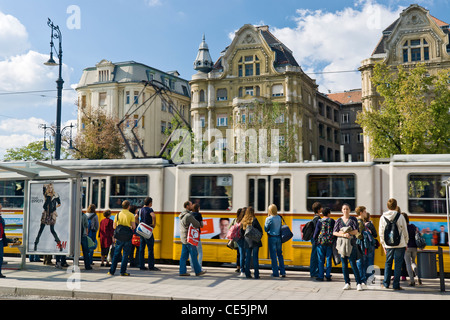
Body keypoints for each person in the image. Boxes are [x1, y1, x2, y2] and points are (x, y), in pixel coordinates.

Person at [379, 198, 408, 290]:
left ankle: (386, 284)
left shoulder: (382, 217)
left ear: (387, 207)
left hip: (388, 245)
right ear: (396, 206)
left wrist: (383, 245)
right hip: (400, 244)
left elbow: (381, 233)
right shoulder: (400, 216)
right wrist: (406, 242)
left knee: (388, 263)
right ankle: (396, 285)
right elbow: (405, 231)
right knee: (398, 264)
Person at [333, 203, 363, 291]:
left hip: (351, 244)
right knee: (344, 265)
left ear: (350, 210)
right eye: (344, 209)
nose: (345, 210)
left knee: (353, 264)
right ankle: (347, 283)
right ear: (342, 210)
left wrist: (349, 233)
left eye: (347, 209)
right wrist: (342, 234)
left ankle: (358, 283)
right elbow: (334, 232)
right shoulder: (338, 220)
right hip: (342, 245)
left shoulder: (353, 220)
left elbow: (356, 231)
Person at [108, 200, 136, 276]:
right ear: (128, 206)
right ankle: (122, 272)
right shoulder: (131, 215)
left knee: (116, 254)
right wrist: (129, 226)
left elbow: (114, 226)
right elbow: (133, 227)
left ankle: (111, 271)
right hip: (127, 237)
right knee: (125, 255)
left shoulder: (117, 215)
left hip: (119, 237)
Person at [178, 201, 205, 276]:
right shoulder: (188, 216)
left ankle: (182, 271)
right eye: (190, 205)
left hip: (183, 237)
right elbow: (197, 224)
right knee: (194, 254)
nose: (192, 206)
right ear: (187, 206)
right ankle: (198, 271)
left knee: (183, 256)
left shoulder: (181, 214)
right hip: (189, 238)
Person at [34, 184, 62, 252]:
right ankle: (36, 244)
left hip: (52, 214)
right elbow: (43, 188)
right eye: (49, 188)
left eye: (51, 188)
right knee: (41, 229)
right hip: (46, 213)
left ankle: (59, 245)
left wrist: (55, 207)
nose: (50, 189)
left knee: (52, 230)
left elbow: (59, 203)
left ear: (53, 188)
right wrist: (45, 185)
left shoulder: (56, 195)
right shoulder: (46, 194)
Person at [355, 206, 377, 285]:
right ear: (361, 213)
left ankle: (363, 278)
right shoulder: (360, 222)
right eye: (364, 211)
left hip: (362, 245)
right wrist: (367, 233)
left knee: (362, 262)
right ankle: (365, 279)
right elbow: (359, 235)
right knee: (366, 261)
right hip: (363, 245)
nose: (366, 213)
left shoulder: (357, 221)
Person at [137, 197, 160, 271]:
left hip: (141, 231)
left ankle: (141, 265)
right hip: (147, 231)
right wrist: (154, 224)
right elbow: (153, 216)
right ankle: (151, 266)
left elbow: (135, 217)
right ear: (150, 203)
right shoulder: (150, 209)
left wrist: (139, 224)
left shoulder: (140, 210)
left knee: (141, 249)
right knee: (150, 249)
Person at [313, 207, 335, 281]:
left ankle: (321, 276)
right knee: (329, 259)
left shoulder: (319, 221)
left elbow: (316, 233)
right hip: (329, 242)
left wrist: (316, 240)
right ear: (328, 213)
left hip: (321, 243)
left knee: (321, 260)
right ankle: (328, 275)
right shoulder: (332, 221)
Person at [264, 204, 286, 278]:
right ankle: (283, 272)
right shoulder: (279, 217)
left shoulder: (269, 219)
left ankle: (275, 273)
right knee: (280, 255)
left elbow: (265, 229)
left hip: (272, 238)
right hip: (279, 238)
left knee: (273, 256)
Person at [241, 207, 262, 279]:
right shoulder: (255, 220)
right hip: (255, 241)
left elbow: (241, 232)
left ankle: (247, 274)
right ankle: (256, 274)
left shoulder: (243, 221)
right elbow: (260, 230)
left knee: (248, 258)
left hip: (247, 241)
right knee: (255, 257)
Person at [402, 212, 420, 286]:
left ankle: (412, 281)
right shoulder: (413, 226)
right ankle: (419, 277)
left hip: (407, 247)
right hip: (414, 247)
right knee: (413, 262)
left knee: (408, 264)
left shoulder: (403, 228)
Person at [0, 203, 14, 278]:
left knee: (0, 257)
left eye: (1, 208)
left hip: (0, 240)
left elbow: (2, 232)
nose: (1, 210)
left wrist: (10, 240)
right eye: (0, 208)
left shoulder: (2, 219)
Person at [309, 202, 322, 278]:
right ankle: (314, 272)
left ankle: (313, 271)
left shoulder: (314, 218)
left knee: (314, 255)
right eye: (321, 208)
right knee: (315, 256)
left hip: (313, 238)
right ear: (318, 209)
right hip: (316, 239)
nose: (322, 209)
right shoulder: (318, 219)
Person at [190, 203, 203, 273]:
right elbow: (202, 225)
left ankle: (192, 267)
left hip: (191, 235)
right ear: (198, 208)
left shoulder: (190, 215)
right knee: (200, 252)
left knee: (192, 251)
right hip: (197, 234)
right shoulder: (199, 215)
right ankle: (199, 267)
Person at [236, 207, 247, 277]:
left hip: (239, 239)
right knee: (244, 255)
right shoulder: (245, 220)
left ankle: (242, 270)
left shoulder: (238, 220)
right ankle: (244, 270)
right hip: (244, 239)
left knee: (241, 255)